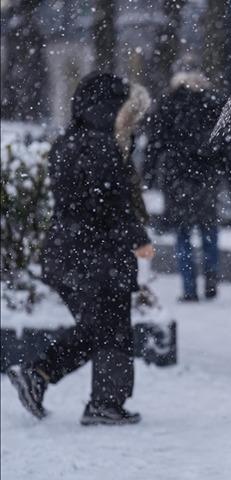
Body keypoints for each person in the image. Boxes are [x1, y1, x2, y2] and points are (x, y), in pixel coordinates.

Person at [6, 72, 155, 425]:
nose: (134, 121)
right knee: (106, 329)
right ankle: (53, 381)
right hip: (91, 255)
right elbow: (109, 203)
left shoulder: (77, 141)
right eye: (130, 112)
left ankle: (85, 395)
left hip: (79, 253)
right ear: (111, 109)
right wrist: (138, 238)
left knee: (105, 329)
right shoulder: (98, 146)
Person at [145, 71, 231, 301]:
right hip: (207, 178)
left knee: (183, 233)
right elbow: (226, 146)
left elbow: (154, 143)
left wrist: (147, 175)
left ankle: (189, 288)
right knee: (209, 230)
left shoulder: (168, 104)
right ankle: (211, 280)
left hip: (177, 179)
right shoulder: (215, 103)